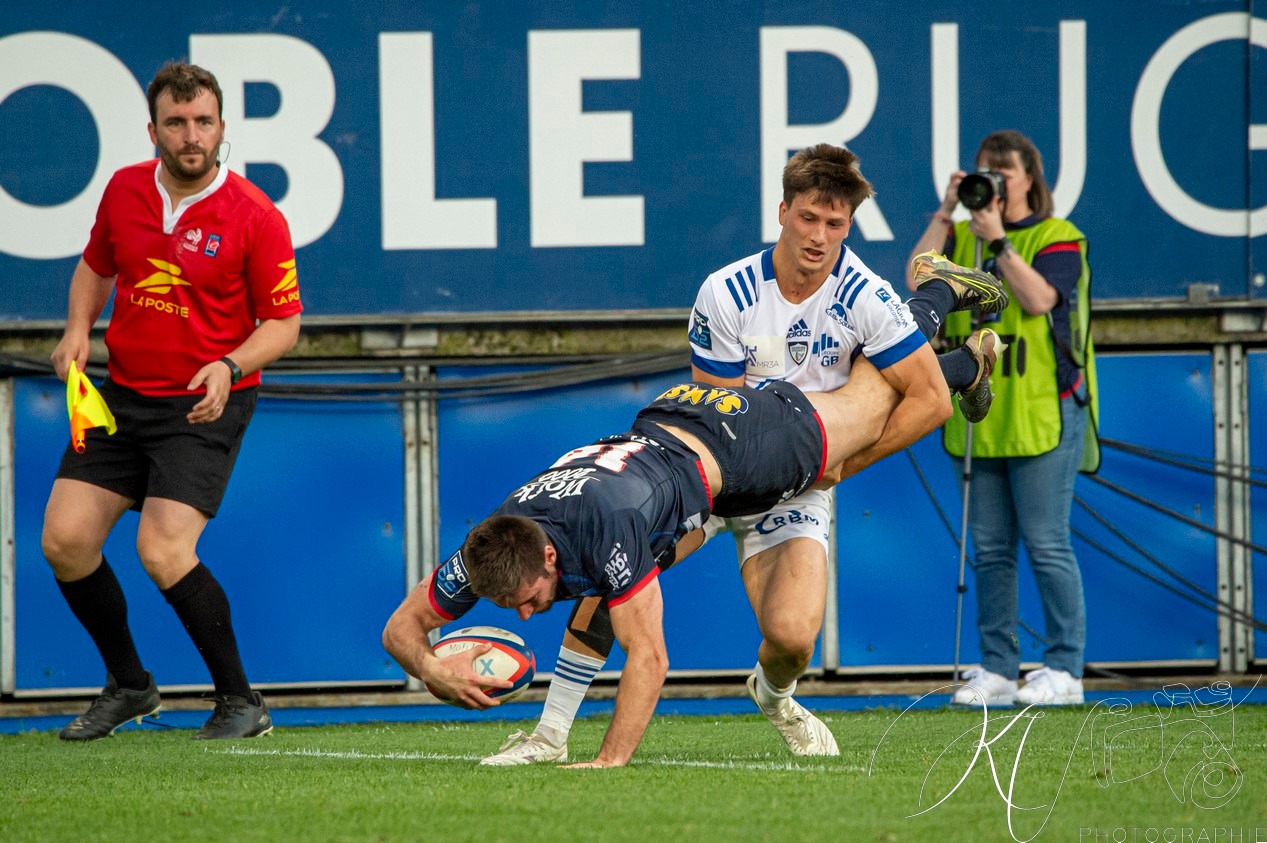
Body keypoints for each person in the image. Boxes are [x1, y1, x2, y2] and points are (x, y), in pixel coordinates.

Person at [476, 144, 1008, 766]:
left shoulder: (862, 292)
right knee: (610, 562)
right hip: (722, 470)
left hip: (808, 476)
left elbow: (926, 404)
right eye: (808, 218)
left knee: (790, 637)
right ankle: (551, 733)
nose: (819, 237)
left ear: (850, 227)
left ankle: (775, 696)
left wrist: (839, 467)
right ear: (782, 211)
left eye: (835, 225)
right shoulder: (726, 292)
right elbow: (718, 415)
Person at [384, 359, 956, 767]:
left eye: (528, 600)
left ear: (548, 553)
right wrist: (430, 669)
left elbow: (651, 658)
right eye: (511, 607)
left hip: (746, 449)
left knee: (874, 399)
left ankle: (931, 310)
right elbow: (399, 628)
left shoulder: (607, 524)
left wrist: (608, 762)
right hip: (674, 469)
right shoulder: (490, 547)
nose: (528, 615)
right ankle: (549, 736)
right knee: (603, 592)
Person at [41, 62, 302, 741]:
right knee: (65, 542)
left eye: (204, 122)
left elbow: (284, 322)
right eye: (178, 123)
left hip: (202, 405)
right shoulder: (125, 189)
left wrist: (229, 363)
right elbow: (97, 266)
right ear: (153, 129)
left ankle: (241, 701)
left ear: (222, 129)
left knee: (162, 548)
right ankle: (130, 685)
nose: (192, 136)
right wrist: (76, 331)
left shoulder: (255, 215)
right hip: (121, 396)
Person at [907, 129, 1099, 707]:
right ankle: (997, 666)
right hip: (979, 413)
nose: (990, 186)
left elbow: (1040, 300)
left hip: (1044, 411)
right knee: (990, 550)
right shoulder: (960, 238)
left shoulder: (1058, 236)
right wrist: (947, 212)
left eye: (1002, 175)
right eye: (981, 175)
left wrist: (1000, 244)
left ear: (1029, 180)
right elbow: (916, 279)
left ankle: (1065, 668)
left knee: (1046, 543)